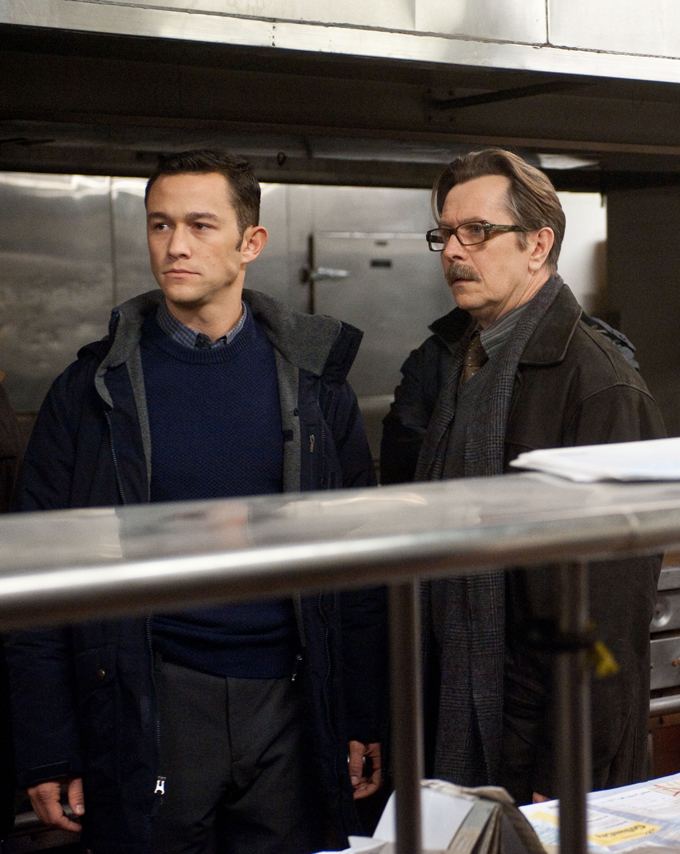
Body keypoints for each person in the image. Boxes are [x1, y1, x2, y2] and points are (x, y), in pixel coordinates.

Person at [7, 150, 385, 854]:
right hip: (150, 700)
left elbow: (358, 564)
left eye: (200, 225)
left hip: (289, 703)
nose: (175, 245)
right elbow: (35, 572)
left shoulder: (313, 387)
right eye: (160, 224)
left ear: (251, 243)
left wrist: (361, 714)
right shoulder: (92, 390)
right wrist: (48, 744)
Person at [381, 148, 665, 805]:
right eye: (445, 234)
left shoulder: (599, 385)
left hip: (541, 745)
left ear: (538, 245)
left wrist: (562, 772)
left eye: (477, 231)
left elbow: (608, 617)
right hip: (466, 711)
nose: (455, 251)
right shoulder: (469, 362)